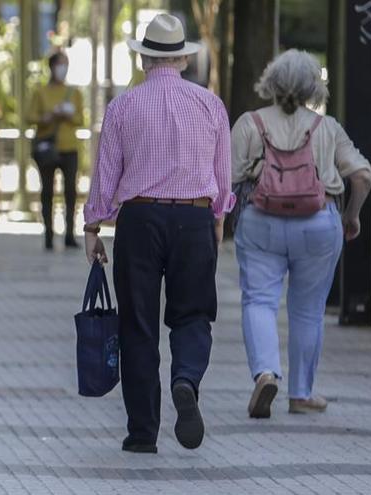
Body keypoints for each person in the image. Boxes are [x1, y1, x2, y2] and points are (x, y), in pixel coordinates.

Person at [84, 13, 234, 454]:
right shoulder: (210, 105)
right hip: (194, 219)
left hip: (139, 221)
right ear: (184, 60)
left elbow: (106, 174)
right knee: (193, 314)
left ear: (144, 59)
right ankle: (185, 378)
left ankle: (142, 432)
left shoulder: (123, 106)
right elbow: (222, 179)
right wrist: (218, 221)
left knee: (138, 325)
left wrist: (93, 226)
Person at [231, 49, 371, 418]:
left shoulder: (250, 123)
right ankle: (301, 394)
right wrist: (352, 215)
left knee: (259, 300)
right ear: (314, 88)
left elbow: (225, 179)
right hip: (319, 223)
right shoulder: (327, 128)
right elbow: (362, 175)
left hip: (260, 220)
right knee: (308, 311)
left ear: (271, 83)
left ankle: (265, 373)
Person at [28, 51, 84, 250]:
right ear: (51, 67)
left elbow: (80, 119)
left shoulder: (74, 92)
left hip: (69, 147)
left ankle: (70, 233)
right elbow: (31, 117)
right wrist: (50, 116)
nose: (63, 68)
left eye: (66, 64)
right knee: (48, 191)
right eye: (60, 64)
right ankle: (49, 235)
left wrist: (68, 115)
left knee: (71, 191)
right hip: (48, 147)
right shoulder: (40, 92)